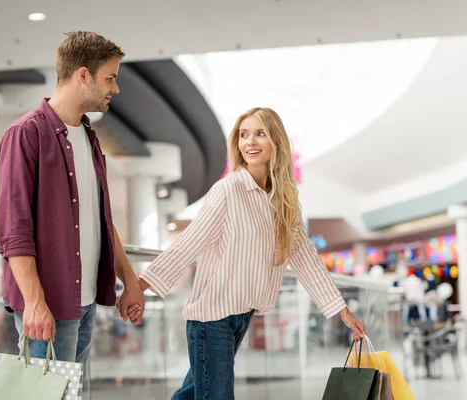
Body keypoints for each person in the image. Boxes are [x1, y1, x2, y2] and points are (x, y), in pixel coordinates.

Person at [131, 107, 367, 399]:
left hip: (241, 315)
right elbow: (189, 241)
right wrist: (140, 285)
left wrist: (341, 311)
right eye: (244, 135)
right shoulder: (228, 190)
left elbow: (306, 259)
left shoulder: (283, 200)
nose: (250, 142)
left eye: (259, 134)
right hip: (211, 318)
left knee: (191, 394)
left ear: (275, 142)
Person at [0, 31, 145, 396]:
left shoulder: (89, 139)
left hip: (86, 301)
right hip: (48, 304)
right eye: (109, 78)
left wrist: (130, 280)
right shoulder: (26, 134)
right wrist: (34, 302)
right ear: (83, 75)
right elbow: (13, 231)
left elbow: (102, 223)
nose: (116, 88)